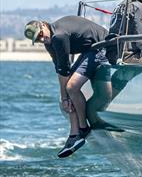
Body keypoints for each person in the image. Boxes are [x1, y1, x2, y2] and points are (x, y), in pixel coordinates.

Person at [24, 16, 110, 158]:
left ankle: (83, 129)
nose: (41, 39)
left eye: (40, 34)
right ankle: (74, 133)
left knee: (71, 87)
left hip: (102, 47)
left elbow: (64, 68)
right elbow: (60, 68)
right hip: (90, 50)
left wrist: (64, 97)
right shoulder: (50, 41)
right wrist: (64, 96)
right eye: (37, 39)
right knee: (69, 88)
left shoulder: (59, 36)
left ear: (44, 25)